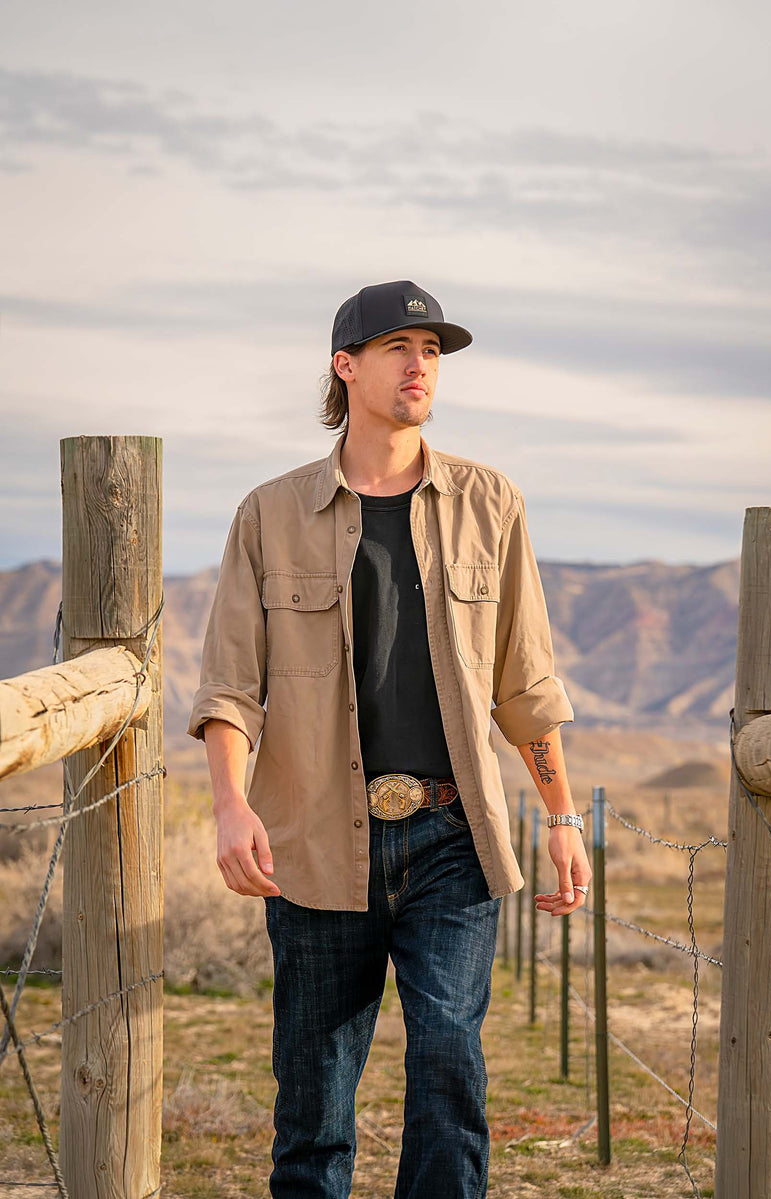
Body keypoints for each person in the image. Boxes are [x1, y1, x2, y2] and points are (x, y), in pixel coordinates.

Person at [187, 279, 592, 1199]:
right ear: (346, 365)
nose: (421, 366)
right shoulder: (269, 513)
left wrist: (563, 817)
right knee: (316, 1097)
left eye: (434, 351)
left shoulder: (492, 503)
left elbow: (525, 684)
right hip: (316, 839)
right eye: (399, 348)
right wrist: (230, 805)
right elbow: (230, 688)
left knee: (450, 1061)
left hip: (453, 835)